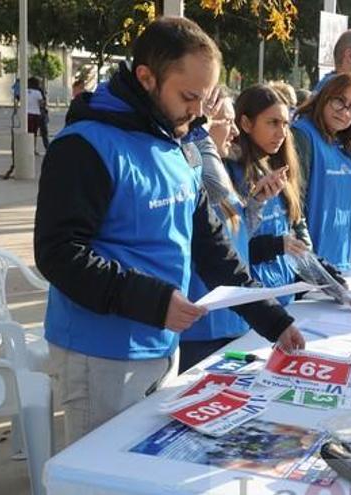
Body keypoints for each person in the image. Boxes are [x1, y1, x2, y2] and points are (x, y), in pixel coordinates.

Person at [34, 17, 305, 446]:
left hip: (161, 342)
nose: (198, 110)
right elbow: (58, 254)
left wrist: (271, 317)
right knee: (101, 474)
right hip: (101, 352)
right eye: (188, 96)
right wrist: (155, 301)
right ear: (146, 78)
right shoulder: (84, 147)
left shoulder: (178, 144)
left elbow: (211, 246)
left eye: (205, 97)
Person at [180, 87, 287, 372]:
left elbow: (237, 237)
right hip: (203, 326)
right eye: (226, 122)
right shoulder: (197, 170)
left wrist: (255, 203)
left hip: (233, 318)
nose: (235, 132)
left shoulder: (222, 172)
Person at [293, 73, 351, 271]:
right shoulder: (303, 133)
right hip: (310, 261)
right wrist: (306, 256)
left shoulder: (347, 144)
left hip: (339, 257)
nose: (344, 112)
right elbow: (295, 201)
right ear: (324, 97)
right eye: (339, 101)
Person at [230, 84, 312, 304]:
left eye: (285, 124)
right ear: (246, 123)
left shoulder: (278, 167)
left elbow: (292, 233)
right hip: (253, 302)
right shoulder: (230, 172)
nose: (282, 133)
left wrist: (324, 273)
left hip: (284, 296)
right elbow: (230, 247)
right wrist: (275, 245)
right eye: (273, 123)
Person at [27, 77, 49, 154]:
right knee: (35, 133)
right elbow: (41, 103)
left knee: (28, 132)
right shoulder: (38, 92)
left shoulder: (24, 91)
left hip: (26, 114)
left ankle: (28, 149)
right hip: (36, 114)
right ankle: (34, 149)